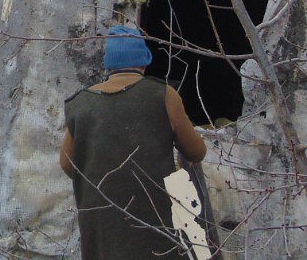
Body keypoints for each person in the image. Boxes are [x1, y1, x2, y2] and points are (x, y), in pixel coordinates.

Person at [60, 25, 207, 260]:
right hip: (154, 222)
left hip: (101, 224)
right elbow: (196, 152)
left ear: (108, 65)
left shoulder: (81, 105)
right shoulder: (163, 95)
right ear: (144, 62)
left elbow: (68, 164)